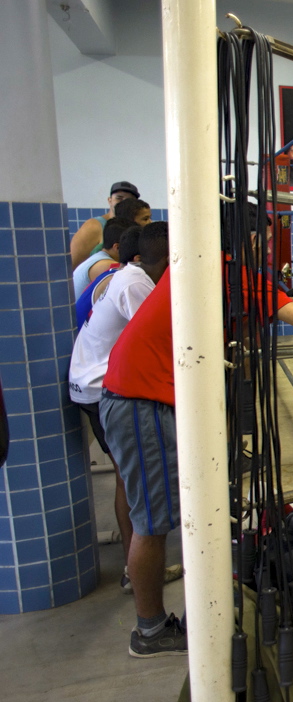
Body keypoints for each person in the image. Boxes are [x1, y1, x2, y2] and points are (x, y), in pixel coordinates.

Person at [100, 219, 293, 658]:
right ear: (246, 240)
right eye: (260, 241)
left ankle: (190, 606)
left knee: (169, 510)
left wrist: (276, 296)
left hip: (136, 392)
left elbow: (235, 321)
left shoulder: (195, 264)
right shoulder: (233, 273)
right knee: (153, 521)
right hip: (141, 400)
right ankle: (150, 631)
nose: (264, 248)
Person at [69, 222, 171, 595]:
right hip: (102, 387)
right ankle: (135, 568)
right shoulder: (135, 284)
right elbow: (164, 338)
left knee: (127, 478)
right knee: (131, 480)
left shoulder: (128, 276)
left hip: (96, 382)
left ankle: (134, 560)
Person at [73, 199, 151, 297]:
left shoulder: (101, 255)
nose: (149, 222)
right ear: (117, 247)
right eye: (145, 219)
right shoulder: (106, 265)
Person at [69, 181, 139, 268]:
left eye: (129, 200)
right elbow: (71, 264)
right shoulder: (93, 226)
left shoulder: (135, 226)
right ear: (110, 200)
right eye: (119, 198)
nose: (123, 203)